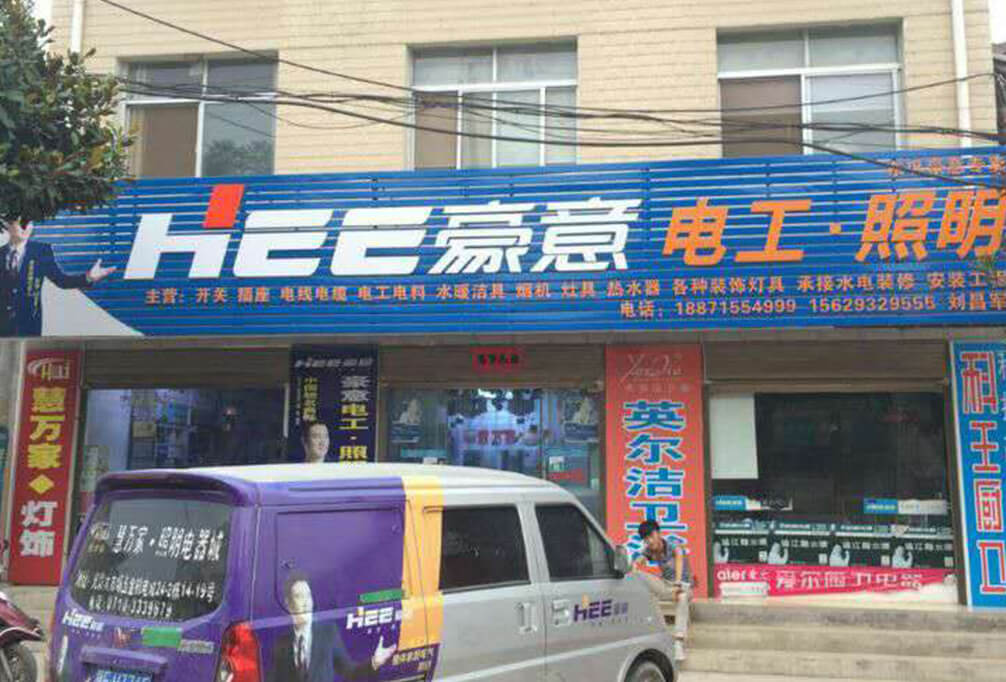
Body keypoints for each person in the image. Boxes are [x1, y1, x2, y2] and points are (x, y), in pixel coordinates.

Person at [266, 572, 397, 682]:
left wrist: (374, 662)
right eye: (299, 596)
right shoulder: (282, 643)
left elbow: (349, 672)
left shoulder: (328, 633)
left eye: (308, 596)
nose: (306, 603)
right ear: (288, 604)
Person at [0, 219, 115, 336]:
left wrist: (88, 277)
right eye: (21, 223)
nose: (26, 227)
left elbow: (61, 280)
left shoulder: (41, 251)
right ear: (7, 225)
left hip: (29, 323)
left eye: (29, 223)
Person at [633, 520, 692, 662]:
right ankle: (663, 633)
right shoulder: (649, 549)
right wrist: (635, 564)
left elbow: (679, 562)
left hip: (683, 585)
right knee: (639, 577)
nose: (649, 541)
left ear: (658, 534)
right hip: (665, 585)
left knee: (682, 597)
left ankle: (678, 642)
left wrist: (678, 583)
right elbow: (639, 561)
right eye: (646, 539)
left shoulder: (674, 547)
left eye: (651, 536)